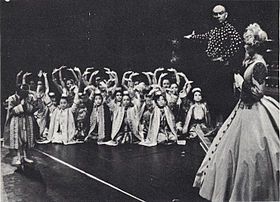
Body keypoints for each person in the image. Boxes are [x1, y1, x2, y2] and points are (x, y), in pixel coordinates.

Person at [193, 23, 279, 201]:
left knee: (252, 155)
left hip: (254, 112)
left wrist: (242, 84)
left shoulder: (259, 64)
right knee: (230, 152)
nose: (244, 46)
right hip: (243, 109)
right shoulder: (249, 61)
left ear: (254, 45)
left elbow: (258, 92)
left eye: (247, 44)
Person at [184, 4, 243, 125]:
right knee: (213, 96)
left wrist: (224, 57)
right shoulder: (215, 30)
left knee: (224, 97)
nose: (217, 16)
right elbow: (205, 36)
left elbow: (238, 43)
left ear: (226, 15)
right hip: (212, 67)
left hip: (223, 69)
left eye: (220, 13)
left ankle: (225, 125)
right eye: (215, 14)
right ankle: (215, 125)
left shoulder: (229, 29)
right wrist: (193, 37)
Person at [3, 84, 38, 165]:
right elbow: (11, 110)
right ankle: (19, 157)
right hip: (16, 120)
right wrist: (21, 106)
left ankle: (25, 157)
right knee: (19, 140)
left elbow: (33, 108)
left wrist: (27, 105)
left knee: (26, 139)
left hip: (26, 120)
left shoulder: (29, 97)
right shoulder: (12, 98)